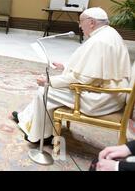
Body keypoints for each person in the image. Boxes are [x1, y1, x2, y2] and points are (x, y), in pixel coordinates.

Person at [12, 8, 132, 144]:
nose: (79, 26)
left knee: (44, 91)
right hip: (110, 94)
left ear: (91, 22)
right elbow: (93, 68)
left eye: (81, 22)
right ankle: (25, 118)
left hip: (100, 97)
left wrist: (50, 81)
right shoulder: (110, 33)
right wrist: (65, 66)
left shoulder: (99, 42)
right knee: (48, 91)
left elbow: (82, 78)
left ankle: (40, 136)